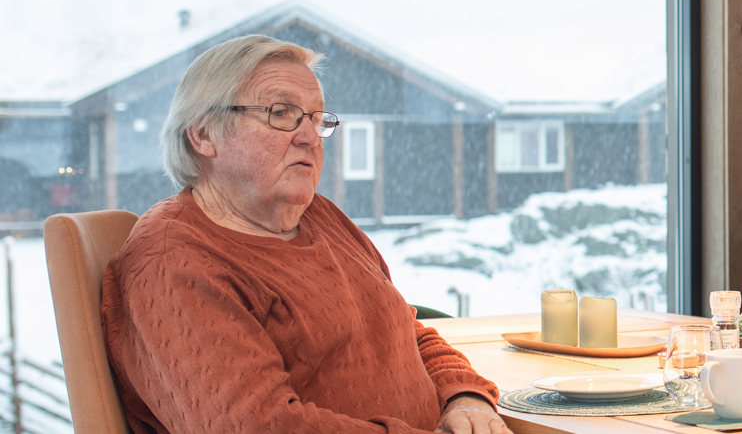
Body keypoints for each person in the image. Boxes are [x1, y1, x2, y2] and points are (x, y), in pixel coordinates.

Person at [101, 34, 513, 434]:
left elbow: (406, 334)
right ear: (203, 134)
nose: (308, 136)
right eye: (281, 113)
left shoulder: (320, 216)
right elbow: (258, 427)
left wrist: (465, 397)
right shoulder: (175, 261)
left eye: (316, 118)